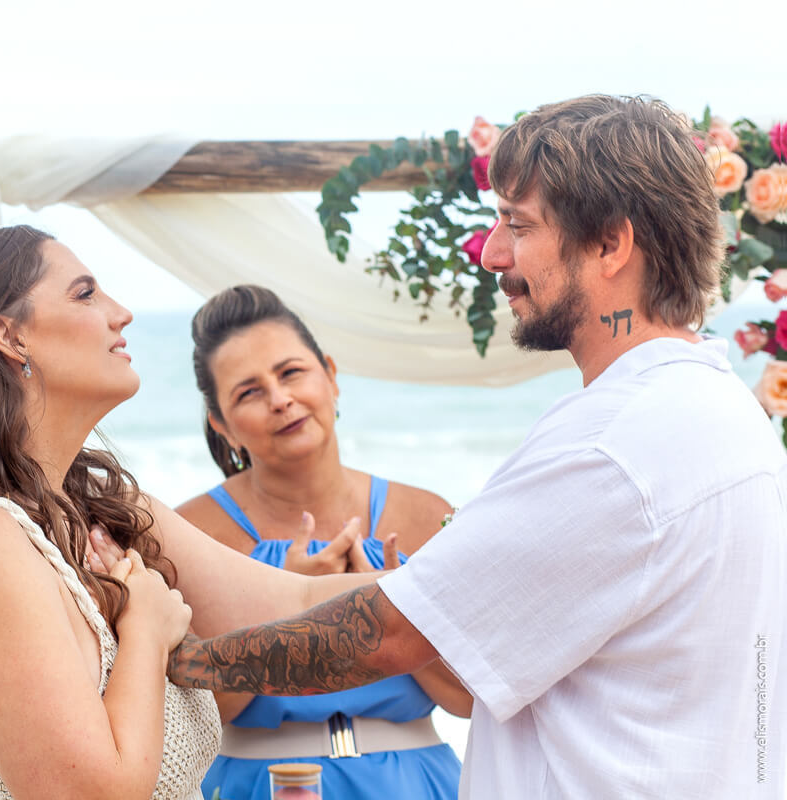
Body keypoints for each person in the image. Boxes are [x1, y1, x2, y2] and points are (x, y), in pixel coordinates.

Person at [161, 95, 787, 798]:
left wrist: (186, 661)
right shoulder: (727, 415)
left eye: (517, 225)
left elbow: (391, 635)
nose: (491, 254)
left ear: (611, 243)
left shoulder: (611, 445)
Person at [0, 226, 387, 800]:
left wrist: (479, 568)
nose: (121, 313)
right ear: (9, 336)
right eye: (85, 294)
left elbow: (300, 606)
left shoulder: (103, 510)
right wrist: (146, 632)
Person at [176, 285, 467, 800]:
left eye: (291, 373)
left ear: (331, 376)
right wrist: (286, 607)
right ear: (222, 425)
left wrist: (402, 618)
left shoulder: (423, 514)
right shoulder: (192, 534)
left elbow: (472, 699)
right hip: (254, 785)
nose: (280, 399)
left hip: (418, 785)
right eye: (249, 392)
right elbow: (188, 720)